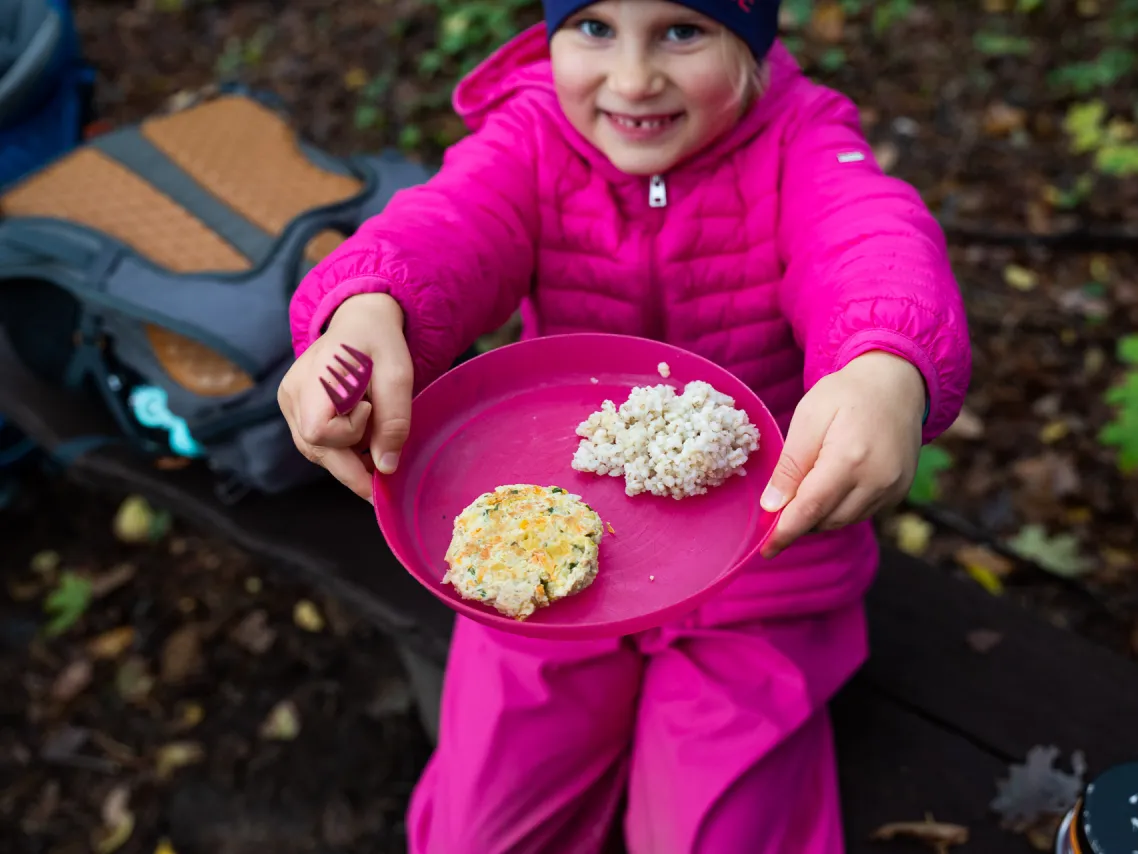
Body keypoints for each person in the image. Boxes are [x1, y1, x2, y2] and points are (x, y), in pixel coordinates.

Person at [277, 0, 970, 850]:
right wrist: (365, 307)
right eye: (595, 27)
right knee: (483, 830)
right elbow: (448, 224)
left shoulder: (804, 142)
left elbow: (869, 238)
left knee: (715, 830)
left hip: (765, 566)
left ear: (751, 43)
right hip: (538, 543)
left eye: (683, 30)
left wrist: (884, 366)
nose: (634, 78)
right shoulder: (530, 136)